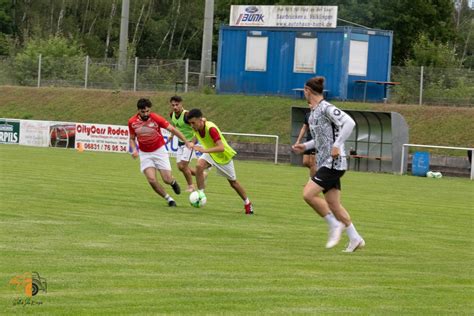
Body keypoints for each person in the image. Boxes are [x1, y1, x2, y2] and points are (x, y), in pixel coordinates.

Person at [293, 77, 365, 252]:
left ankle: (334, 225)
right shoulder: (313, 113)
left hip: (333, 163)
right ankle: (355, 238)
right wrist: (305, 146)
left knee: (308, 194)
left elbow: (350, 122)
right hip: (325, 161)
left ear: (307, 90)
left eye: (303, 91)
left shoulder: (326, 108)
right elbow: (321, 140)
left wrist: (337, 145)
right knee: (333, 204)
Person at [186, 108, 254, 215]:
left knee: (233, 183)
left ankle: (248, 203)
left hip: (223, 156)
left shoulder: (211, 129)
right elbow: (196, 136)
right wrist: (191, 142)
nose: (192, 126)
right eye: (190, 123)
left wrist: (204, 150)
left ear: (200, 120)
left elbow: (221, 147)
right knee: (199, 166)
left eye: (193, 123)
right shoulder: (197, 126)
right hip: (211, 153)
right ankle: (201, 195)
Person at [128, 98, 191, 207]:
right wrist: (134, 149)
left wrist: (186, 141)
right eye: (143, 112)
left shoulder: (156, 118)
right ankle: (169, 199)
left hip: (159, 151)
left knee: (166, 179)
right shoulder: (132, 122)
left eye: (148, 111)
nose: (146, 114)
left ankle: (173, 182)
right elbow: (132, 138)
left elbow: (173, 130)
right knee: (152, 180)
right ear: (138, 110)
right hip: (145, 154)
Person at [169, 95, 197, 192]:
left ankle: (191, 186)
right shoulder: (172, 114)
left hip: (189, 143)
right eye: (173, 105)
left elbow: (197, 128)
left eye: (177, 105)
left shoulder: (187, 115)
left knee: (183, 166)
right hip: (181, 144)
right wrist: (172, 135)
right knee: (180, 167)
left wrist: (192, 143)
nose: (175, 107)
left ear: (181, 104)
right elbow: (174, 125)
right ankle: (201, 174)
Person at [293, 109, 317, 177]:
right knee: (305, 162)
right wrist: (298, 140)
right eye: (309, 104)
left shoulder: (320, 115)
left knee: (312, 162)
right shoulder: (308, 115)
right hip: (308, 140)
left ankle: (311, 182)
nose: (311, 105)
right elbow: (304, 128)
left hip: (316, 141)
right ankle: (317, 173)